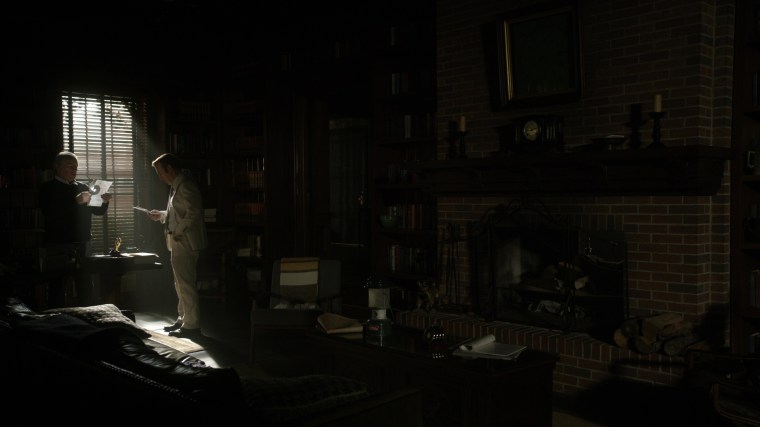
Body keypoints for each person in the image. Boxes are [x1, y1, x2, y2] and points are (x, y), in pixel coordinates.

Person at [39, 150, 112, 307]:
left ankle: (88, 316)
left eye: (76, 167)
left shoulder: (83, 187)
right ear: (57, 167)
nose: (74, 170)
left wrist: (104, 202)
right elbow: (50, 214)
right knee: (57, 285)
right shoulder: (47, 188)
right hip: (58, 243)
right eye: (69, 166)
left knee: (85, 284)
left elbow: (97, 211)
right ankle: (58, 317)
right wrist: (75, 202)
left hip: (83, 242)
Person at [148, 153, 207, 337]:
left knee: (186, 284)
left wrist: (178, 231)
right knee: (179, 284)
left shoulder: (186, 185)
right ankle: (183, 318)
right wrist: (162, 215)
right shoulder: (176, 186)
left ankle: (192, 325)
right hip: (177, 241)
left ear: (170, 169)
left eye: (160, 172)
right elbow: (177, 213)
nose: (160, 177)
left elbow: (194, 213)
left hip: (185, 241)